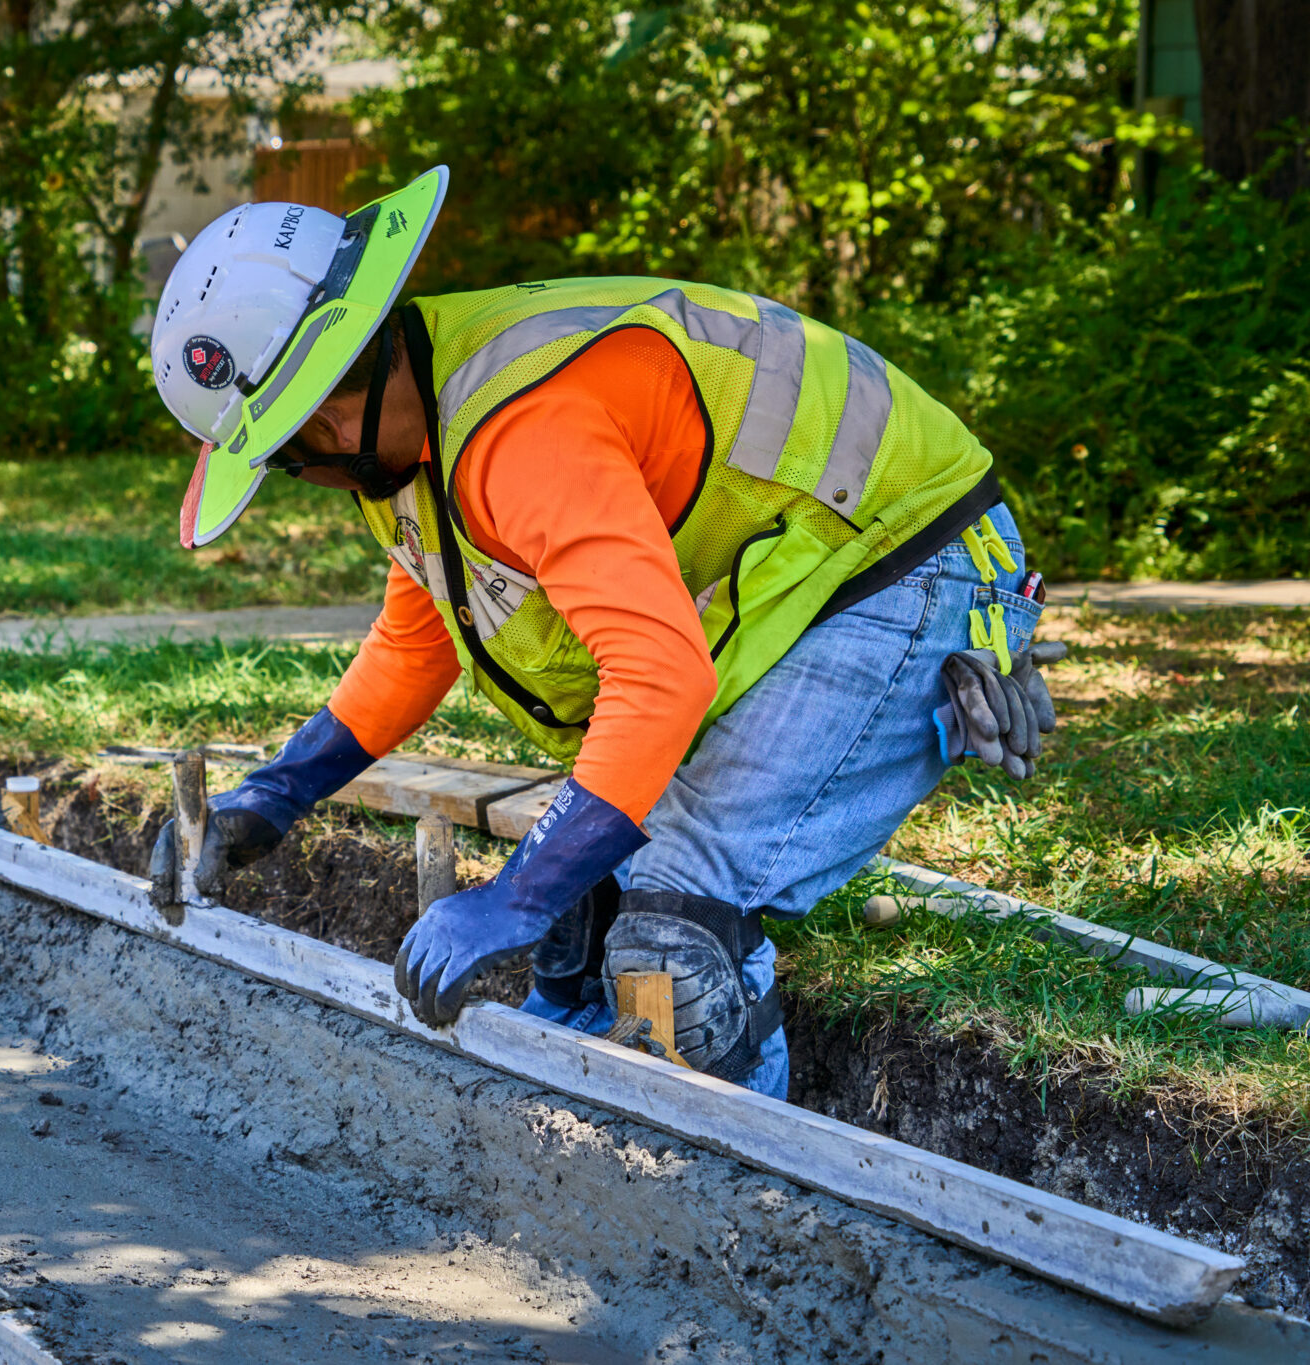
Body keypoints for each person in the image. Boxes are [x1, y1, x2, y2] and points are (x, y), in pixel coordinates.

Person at [144, 168, 1060, 1100]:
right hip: (808, 564)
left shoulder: (520, 425)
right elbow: (418, 642)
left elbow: (657, 676)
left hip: (909, 555)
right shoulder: (413, 439)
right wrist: (275, 796)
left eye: (297, 452)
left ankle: (729, 1211)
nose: (312, 476)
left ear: (339, 397)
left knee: (671, 936)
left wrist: (516, 893)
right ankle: (580, 1135)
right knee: (583, 924)